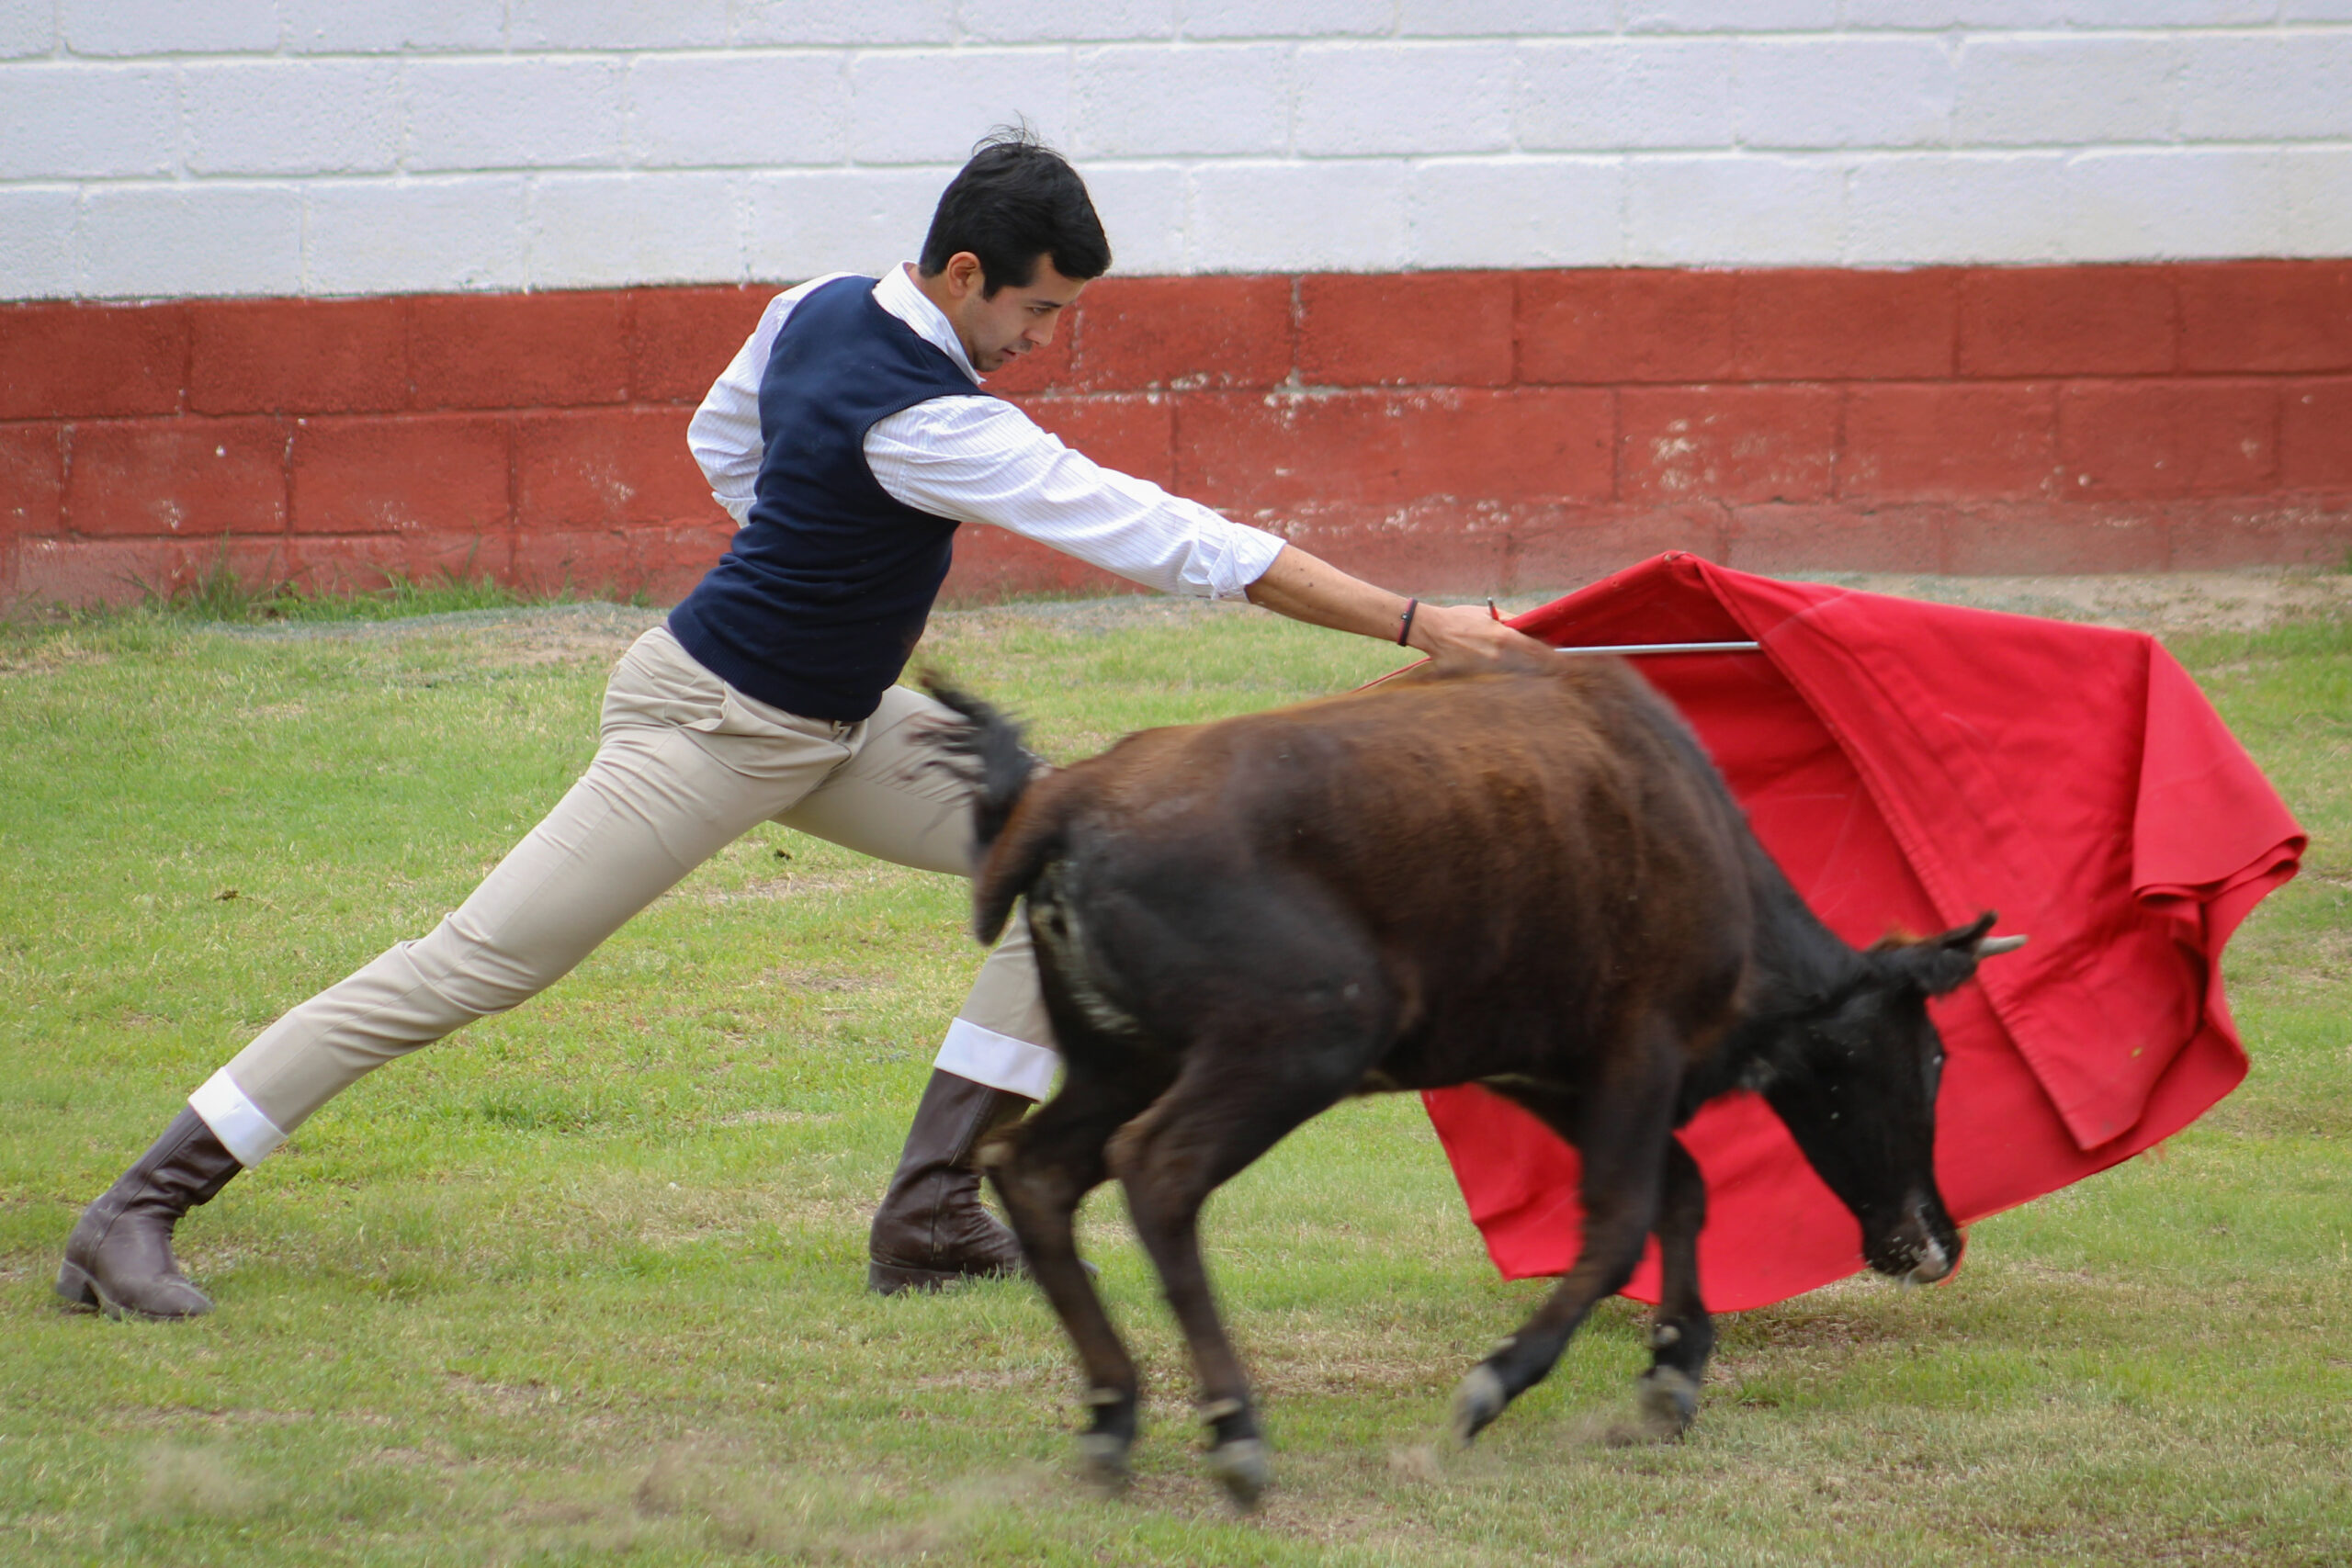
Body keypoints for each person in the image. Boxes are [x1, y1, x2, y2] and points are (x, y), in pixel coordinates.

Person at [57, 131, 1546, 1321]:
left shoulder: (818, 303)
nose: (1043, 339)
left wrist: (804, 553)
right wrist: (1419, 627)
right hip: (707, 728)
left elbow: (726, 435)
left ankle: (929, 1212)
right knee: (477, 965)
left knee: (1088, 864)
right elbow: (1167, 536)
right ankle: (134, 1210)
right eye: (1035, 309)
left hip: (832, 720)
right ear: (965, 272)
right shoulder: (937, 420)